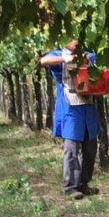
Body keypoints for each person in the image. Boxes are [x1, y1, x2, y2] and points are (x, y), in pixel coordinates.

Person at [39, 40, 100, 200]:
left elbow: (94, 60)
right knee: (72, 147)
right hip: (70, 107)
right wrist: (66, 60)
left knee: (90, 147)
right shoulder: (59, 55)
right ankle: (70, 187)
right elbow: (43, 60)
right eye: (72, 38)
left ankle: (83, 183)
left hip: (88, 105)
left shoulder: (87, 53)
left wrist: (83, 59)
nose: (76, 41)